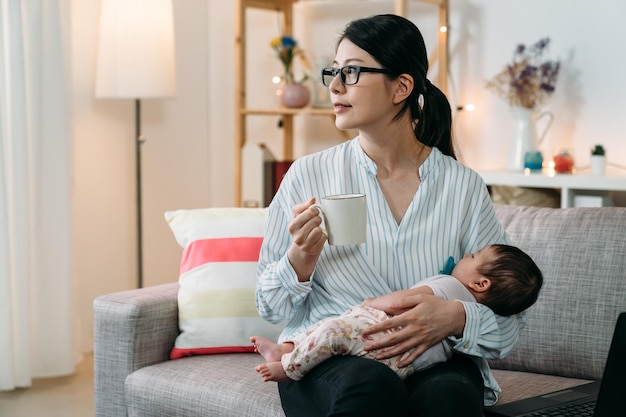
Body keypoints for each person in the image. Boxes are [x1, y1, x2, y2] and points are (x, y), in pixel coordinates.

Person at [256, 14, 525, 417]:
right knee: (371, 383)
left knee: (450, 393)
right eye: (334, 71)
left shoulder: (462, 186)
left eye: (352, 72)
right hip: (332, 357)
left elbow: (510, 319)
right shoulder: (309, 174)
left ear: (401, 86)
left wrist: (455, 316)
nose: (334, 85)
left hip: (431, 359)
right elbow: (269, 306)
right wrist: (300, 260)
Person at [252, 244, 542, 383]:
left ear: (482, 283)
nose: (467, 255)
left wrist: (373, 303)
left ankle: (289, 367)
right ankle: (286, 349)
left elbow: (405, 300)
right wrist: (300, 255)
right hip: (407, 366)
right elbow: (268, 305)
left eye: (473, 257)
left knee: (331, 331)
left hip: (376, 336)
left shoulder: (450, 284)